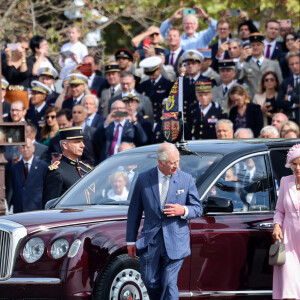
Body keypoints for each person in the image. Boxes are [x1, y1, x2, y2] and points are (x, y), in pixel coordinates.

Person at [126, 142, 202, 300]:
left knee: (168, 281)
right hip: (151, 240)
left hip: (176, 240)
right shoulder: (144, 179)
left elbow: (198, 208)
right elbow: (134, 212)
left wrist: (183, 210)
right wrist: (130, 241)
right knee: (149, 281)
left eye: (178, 161)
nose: (176, 166)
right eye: (172, 163)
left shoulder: (186, 179)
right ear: (160, 162)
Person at [272, 143, 300, 300]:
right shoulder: (285, 181)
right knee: (289, 290)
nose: (297, 168)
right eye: (294, 164)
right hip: (288, 242)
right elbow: (279, 210)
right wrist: (277, 225)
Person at [43, 126, 92, 206]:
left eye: (82, 141)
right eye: (77, 142)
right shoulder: (57, 172)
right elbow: (50, 206)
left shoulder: (86, 169)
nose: (82, 145)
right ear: (65, 145)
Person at [237, 32, 283, 98]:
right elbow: (237, 78)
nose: (255, 47)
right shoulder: (244, 65)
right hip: (252, 100)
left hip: (270, 100)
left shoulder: (274, 64)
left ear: (263, 47)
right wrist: (241, 61)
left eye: (258, 45)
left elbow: (280, 83)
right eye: (253, 45)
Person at [11, 138, 48, 213]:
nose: (25, 149)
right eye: (22, 147)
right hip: (19, 208)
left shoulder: (44, 166)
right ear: (19, 149)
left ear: (33, 148)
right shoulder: (14, 167)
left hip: (37, 207)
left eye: (28, 147)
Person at [138, 56, 173, 124]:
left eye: (153, 73)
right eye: (148, 73)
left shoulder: (168, 84)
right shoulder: (143, 85)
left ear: (159, 69)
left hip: (162, 120)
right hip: (147, 121)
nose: (151, 76)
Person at [277, 52, 300, 123]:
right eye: (292, 64)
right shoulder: (286, 82)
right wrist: (293, 105)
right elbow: (279, 101)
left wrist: (290, 98)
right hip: (289, 120)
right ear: (289, 66)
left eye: (297, 63)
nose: (295, 66)